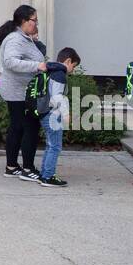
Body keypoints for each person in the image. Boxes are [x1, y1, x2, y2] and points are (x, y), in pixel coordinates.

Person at [0, 4, 49, 182]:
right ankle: (27, 168)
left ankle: (12, 166)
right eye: (34, 20)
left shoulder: (24, 38)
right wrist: (37, 66)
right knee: (29, 129)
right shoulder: (15, 39)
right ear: (24, 21)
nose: (36, 24)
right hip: (19, 93)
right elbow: (10, 61)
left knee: (17, 128)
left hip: (22, 91)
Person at [36, 47, 81, 189]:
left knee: (50, 145)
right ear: (68, 61)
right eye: (73, 66)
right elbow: (57, 97)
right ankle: (48, 176)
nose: (73, 70)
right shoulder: (60, 74)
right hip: (53, 115)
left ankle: (44, 174)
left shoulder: (50, 70)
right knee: (55, 146)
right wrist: (66, 114)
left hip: (44, 112)